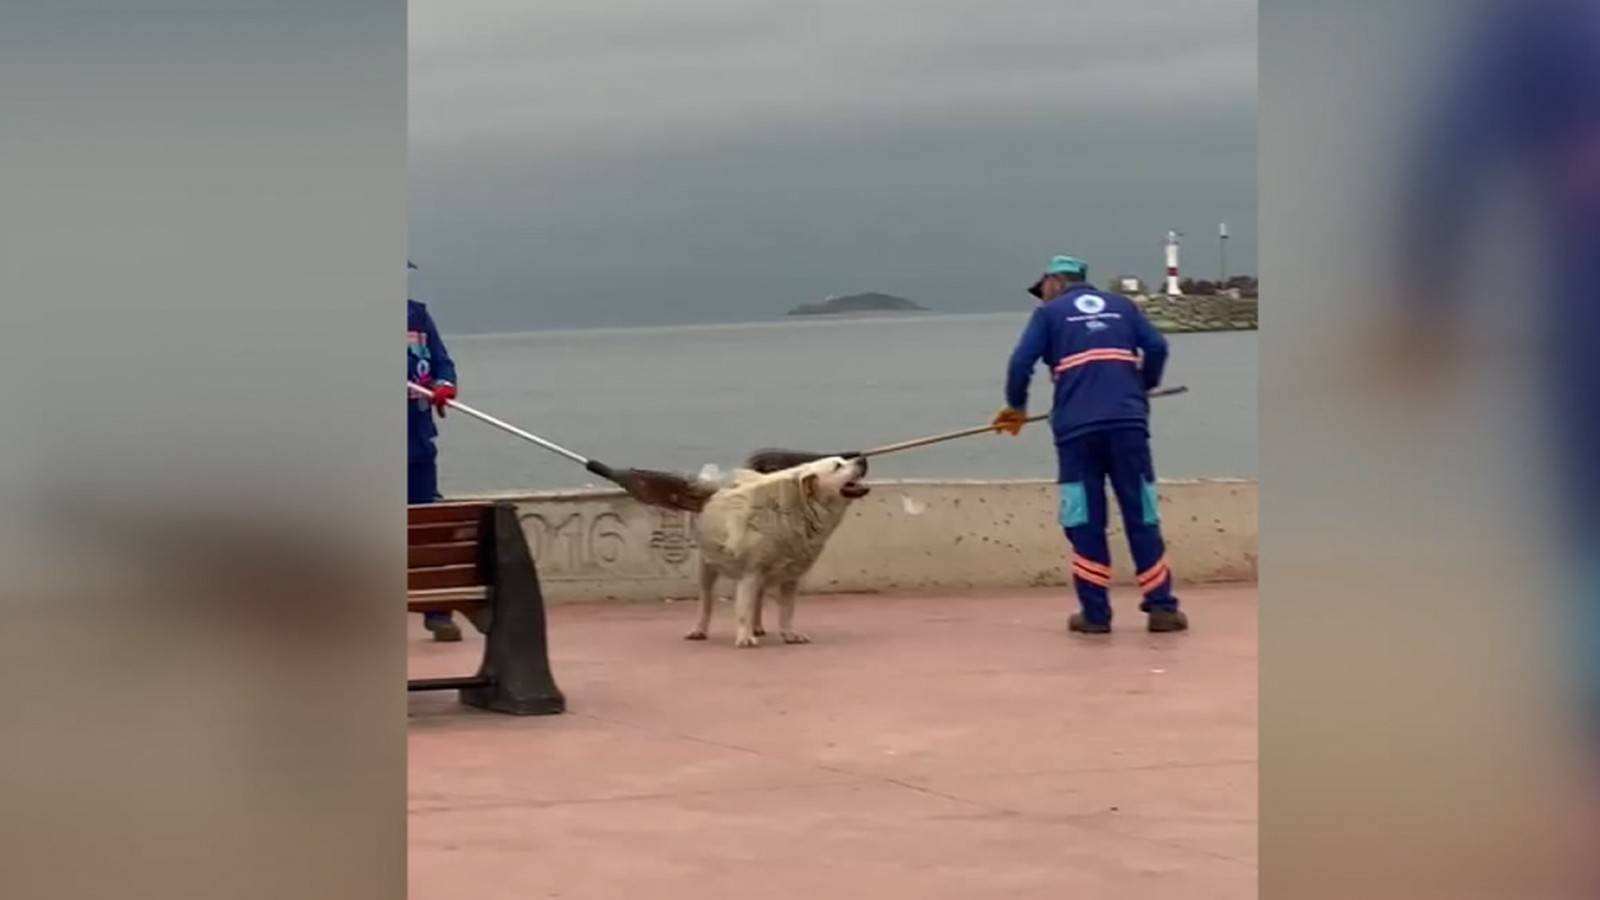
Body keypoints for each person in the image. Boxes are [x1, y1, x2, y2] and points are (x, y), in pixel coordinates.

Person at [993, 255, 1187, 634]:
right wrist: (1140, 387)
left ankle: (1096, 615)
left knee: (1084, 518)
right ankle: (1162, 608)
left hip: (1076, 430)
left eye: (1042, 289)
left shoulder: (1049, 315)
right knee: (1142, 513)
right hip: (1129, 424)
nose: (1041, 297)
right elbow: (1158, 347)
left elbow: (1021, 364)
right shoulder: (1124, 307)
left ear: (1055, 281)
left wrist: (1016, 407)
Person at [407, 260, 462, 642]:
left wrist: (444, 384)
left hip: (417, 439)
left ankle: (437, 611)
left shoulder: (418, 316)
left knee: (427, 523)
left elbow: (442, 361)